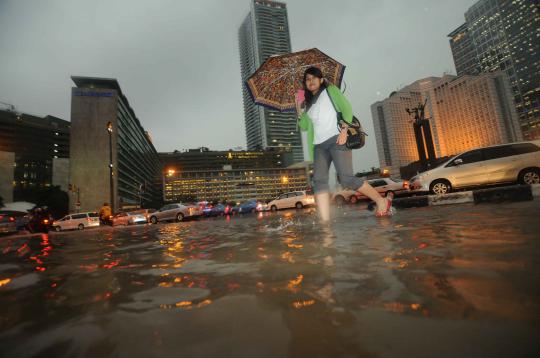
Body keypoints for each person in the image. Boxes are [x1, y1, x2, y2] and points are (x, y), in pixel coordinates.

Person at [296, 66, 393, 221]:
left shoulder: (330, 90)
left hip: (337, 139)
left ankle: (382, 201)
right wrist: (299, 110)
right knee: (319, 182)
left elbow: (346, 108)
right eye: (307, 79)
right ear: (305, 83)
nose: (311, 81)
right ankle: (325, 221)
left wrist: (343, 130)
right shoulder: (308, 104)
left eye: (314, 77)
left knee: (347, 178)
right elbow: (304, 127)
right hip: (318, 146)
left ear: (320, 79)